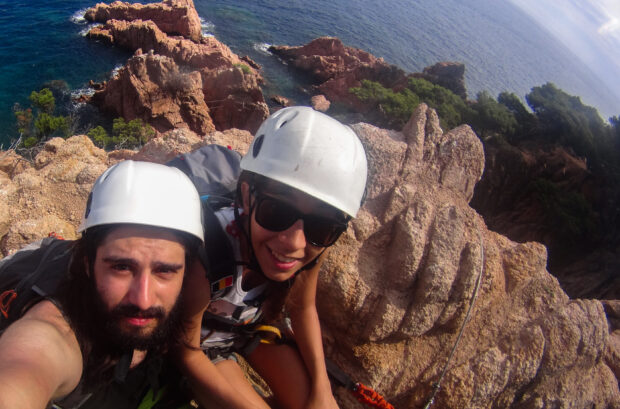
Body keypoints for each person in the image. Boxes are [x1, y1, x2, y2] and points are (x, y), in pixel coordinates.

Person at [177, 106, 368, 409]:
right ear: (245, 196)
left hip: (248, 329)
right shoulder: (210, 251)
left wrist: (323, 390)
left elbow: (304, 309)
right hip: (203, 344)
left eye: (321, 227)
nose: (294, 242)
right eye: (276, 211)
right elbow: (186, 351)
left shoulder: (311, 249)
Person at [0, 160, 204, 409]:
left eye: (165, 271)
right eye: (121, 267)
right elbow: (24, 368)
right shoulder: (52, 334)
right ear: (87, 264)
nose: (144, 299)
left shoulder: (199, 283)